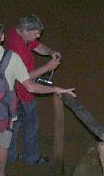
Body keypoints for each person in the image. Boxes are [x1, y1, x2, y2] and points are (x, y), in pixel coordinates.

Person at [0, 22, 75, 176]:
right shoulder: (12, 58)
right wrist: (55, 89)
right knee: (2, 148)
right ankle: (2, 173)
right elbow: (31, 87)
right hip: (5, 116)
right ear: (2, 37)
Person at [5, 14, 63, 166]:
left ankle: (9, 157)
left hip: (11, 93)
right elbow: (24, 78)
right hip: (21, 93)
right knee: (30, 125)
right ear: (25, 30)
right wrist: (47, 67)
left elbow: (37, 46)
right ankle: (32, 158)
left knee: (13, 126)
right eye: (36, 33)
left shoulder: (17, 33)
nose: (38, 36)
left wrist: (50, 52)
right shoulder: (17, 48)